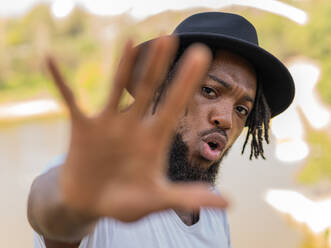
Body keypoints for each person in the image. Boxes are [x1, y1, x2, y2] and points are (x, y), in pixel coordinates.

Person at [27, 12, 295, 248]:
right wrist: (76, 201)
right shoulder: (99, 182)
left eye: (241, 110)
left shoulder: (211, 206)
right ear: (161, 89)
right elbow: (49, 210)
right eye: (209, 90)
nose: (225, 119)